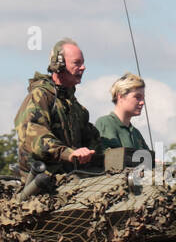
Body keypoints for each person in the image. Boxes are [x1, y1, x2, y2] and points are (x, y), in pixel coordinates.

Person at [13, 38, 102, 174]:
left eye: (83, 63)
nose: (83, 67)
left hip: (72, 181)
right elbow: (35, 137)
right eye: (77, 63)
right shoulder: (41, 97)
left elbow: (94, 143)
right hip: (43, 182)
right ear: (59, 65)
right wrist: (68, 153)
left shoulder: (77, 109)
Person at [93, 73, 150, 153]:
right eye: (137, 97)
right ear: (120, 96)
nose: (142, 102)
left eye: (143, 98)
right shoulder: (106, 123)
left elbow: (148, 159)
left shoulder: (135, 133)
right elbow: (112, 158)